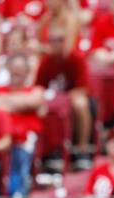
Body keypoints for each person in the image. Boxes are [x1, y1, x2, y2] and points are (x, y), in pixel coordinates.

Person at [35, 26, 93, 171]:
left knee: (80, 104)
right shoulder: (46, 61)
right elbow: (38, 88)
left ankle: (82, 149)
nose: (56, 44)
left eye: (60, 40)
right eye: (53, 40)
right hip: (54, 101)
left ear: (67, 41)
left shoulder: (76, 59)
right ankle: (49, 150)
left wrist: (64, 99)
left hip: (71, 99)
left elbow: (83, 89)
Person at [0, 54, 45, 198]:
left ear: (27, 71)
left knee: (23, 147)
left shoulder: (35, 90)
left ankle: (18, 194)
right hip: (0, 138)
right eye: (14, 68)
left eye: (20, 69)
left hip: (25, 140)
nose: (17, 72)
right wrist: (22, 103)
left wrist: (7, 102)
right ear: (8, 69)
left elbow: (34, 100)